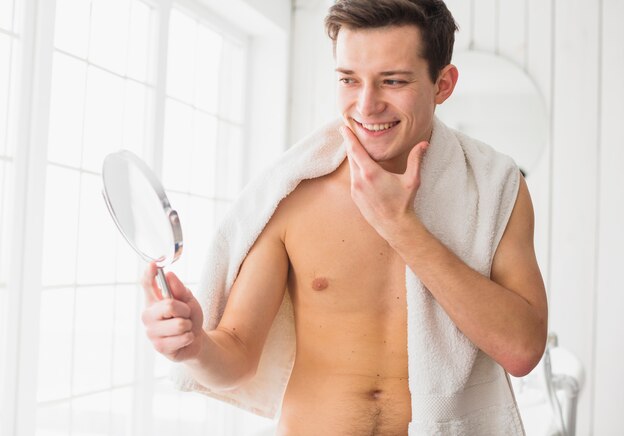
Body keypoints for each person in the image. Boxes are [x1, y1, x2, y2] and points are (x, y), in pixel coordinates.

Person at [141, 0, 548, 434]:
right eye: (349, 80)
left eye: (392, 81)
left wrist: (401, 226)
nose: (367, 105)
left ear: (443, 84)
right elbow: (237, 357)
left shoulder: (495, 187)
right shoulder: (293, 192)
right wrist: (195, 345)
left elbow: (521, 350)